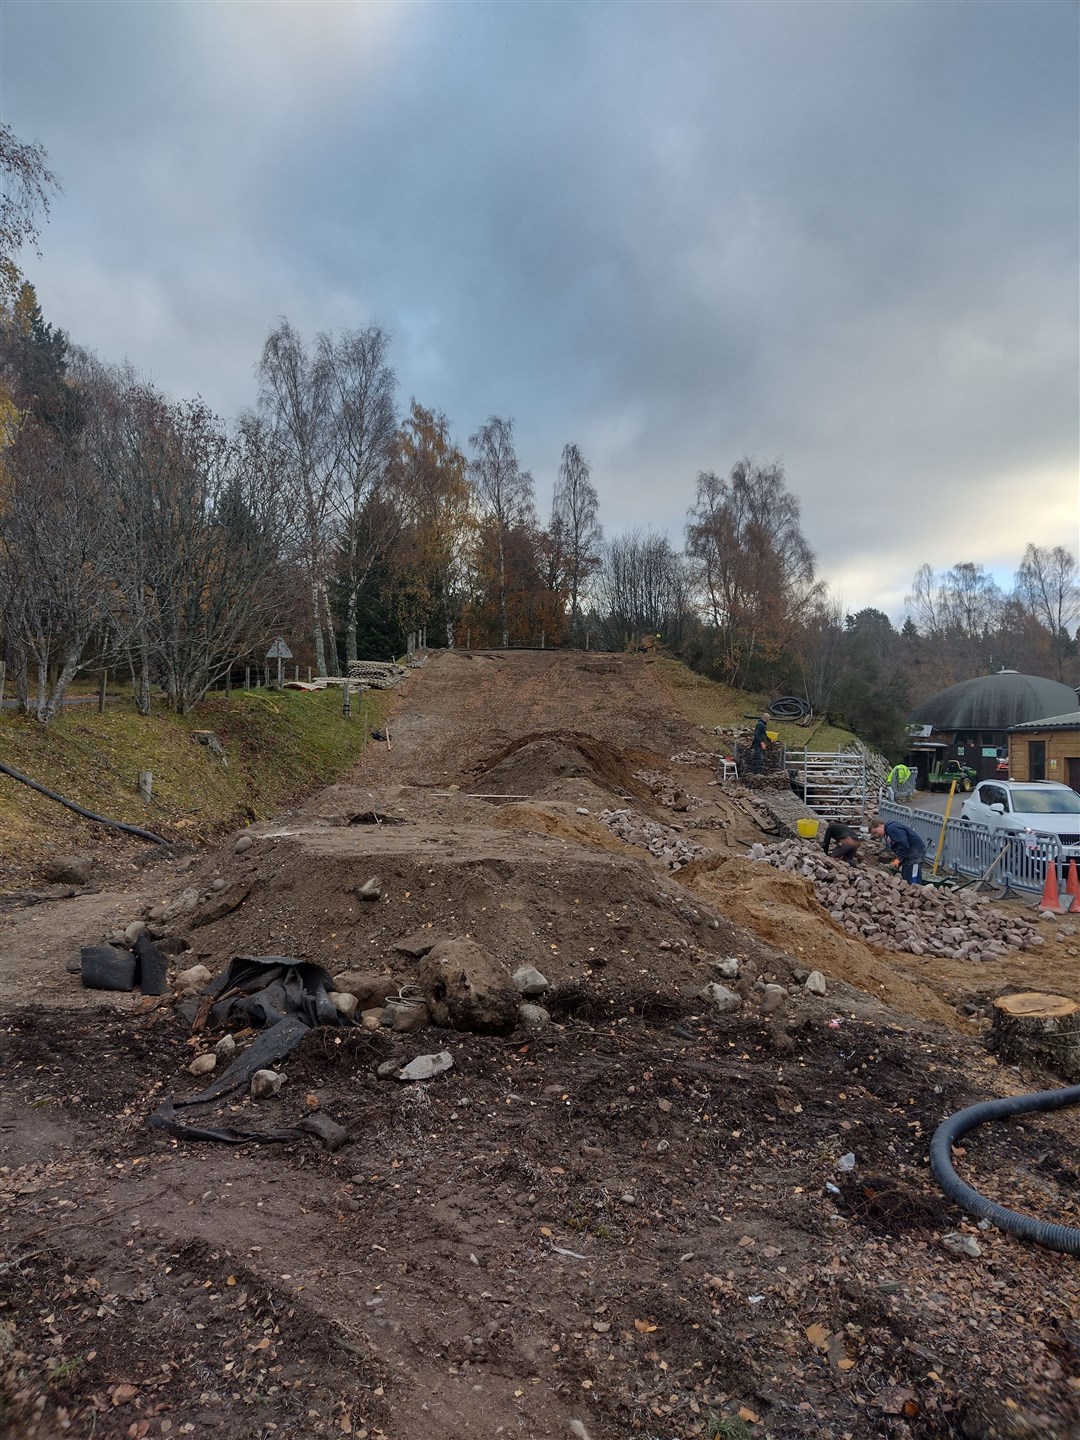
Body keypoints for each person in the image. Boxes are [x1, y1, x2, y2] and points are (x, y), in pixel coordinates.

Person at [869, 815, 926, 884]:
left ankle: (916, 893)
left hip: (914, 855)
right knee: (906, 876)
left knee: (913, 880)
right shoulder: (889, 830)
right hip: (909, 855)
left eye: (876, 832)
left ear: (880, 825)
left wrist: (898, 859)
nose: (877, 835)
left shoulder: (891, 828)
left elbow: (903, 843)